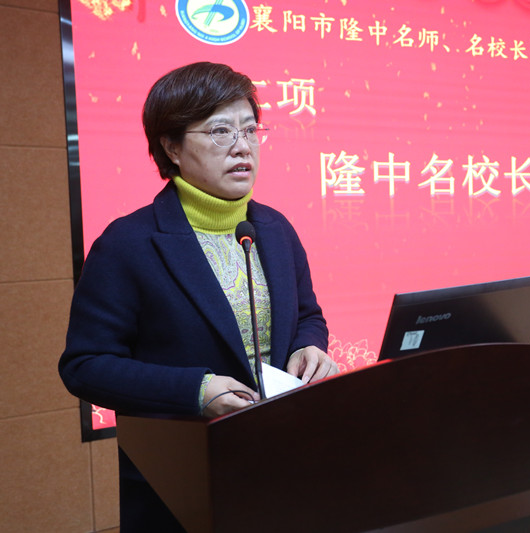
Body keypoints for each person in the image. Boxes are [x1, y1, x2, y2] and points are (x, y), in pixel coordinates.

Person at [59, 62, 338, 531]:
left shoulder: (274, 228)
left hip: (280, 466)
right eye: (220, 131)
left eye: (250, 129)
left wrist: (310, 346)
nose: (242, 146)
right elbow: (85, 365)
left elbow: (308, 315)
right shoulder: (128, 243)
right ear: (171, 146)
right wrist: (196, 390)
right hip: (181, 481)